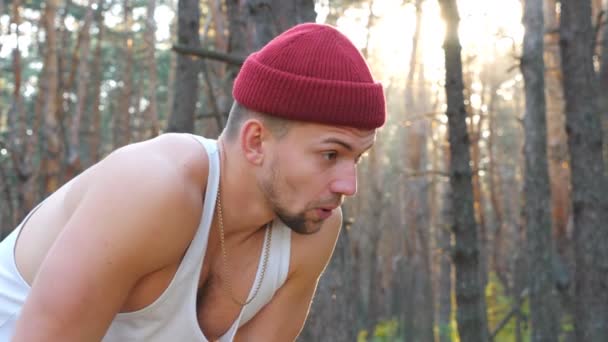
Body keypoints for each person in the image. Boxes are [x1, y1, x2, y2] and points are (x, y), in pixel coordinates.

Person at [0, 22, 385, 341]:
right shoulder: (153, 187)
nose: (348, 186)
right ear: (256, 142)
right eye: (330, 155)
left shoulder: (311, 229)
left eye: (358, 158)